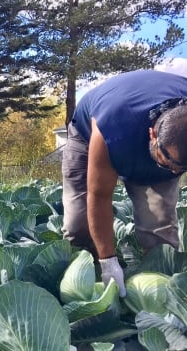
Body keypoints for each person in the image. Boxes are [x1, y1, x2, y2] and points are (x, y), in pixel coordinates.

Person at [62, 69, 187, 297]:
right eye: (167, 163)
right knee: (77, 224)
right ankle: (93, 274)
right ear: (152, 135)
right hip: (90, 132)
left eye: (180, 169)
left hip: (164, 138)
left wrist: (173, 164)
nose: (172, 172)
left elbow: (173, 163)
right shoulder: (114, 123)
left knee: (159, 230)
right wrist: (108, 262)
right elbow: (99, 196)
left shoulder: (176, 156)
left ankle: (164, 295)